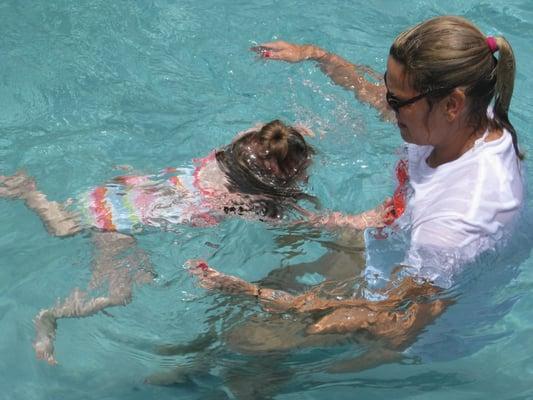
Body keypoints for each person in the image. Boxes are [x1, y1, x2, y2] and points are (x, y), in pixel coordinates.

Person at [188, 15, 524, 371]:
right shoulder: (469, 113)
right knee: (252, 306)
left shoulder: (458, 219)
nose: (388, 106)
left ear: (451, 105)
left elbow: (394, 326)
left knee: (247, 345)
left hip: (420, 337)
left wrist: (262, 299)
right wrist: (318, 55)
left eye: (398, 101)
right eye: (388, 89)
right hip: (393, 247)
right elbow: (376, 95)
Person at [3, 120, 380, 365]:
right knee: (122, 293)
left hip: (121, 191)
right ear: (276, 178)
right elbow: (313, 221)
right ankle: (51, 316)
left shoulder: (228, 153)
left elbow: (265, 132)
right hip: (117, 226)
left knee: (64, 225)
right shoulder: (243, 201)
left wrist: (298, 129)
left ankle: (30, 192)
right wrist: (359, 220)